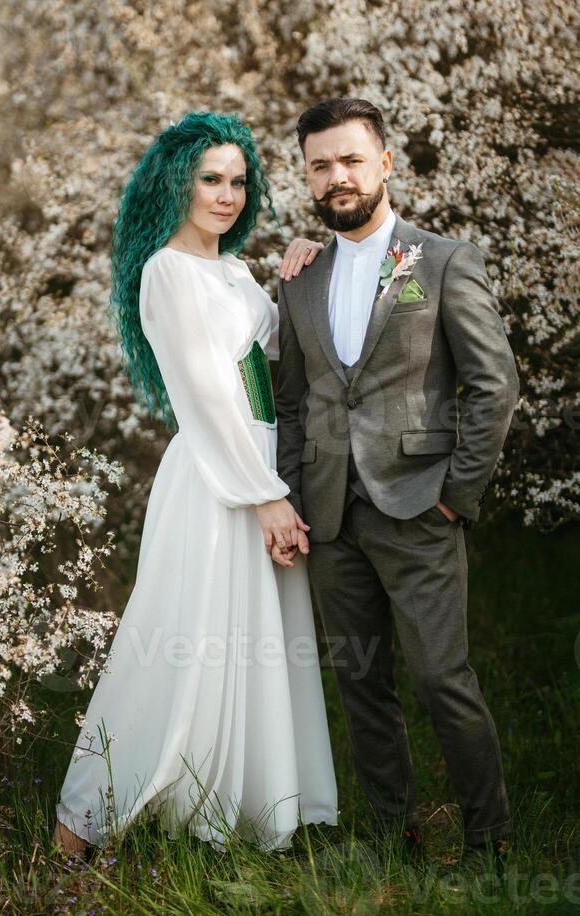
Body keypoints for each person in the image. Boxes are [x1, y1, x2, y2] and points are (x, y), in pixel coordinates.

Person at [52, 112, 338, 857]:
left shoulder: (234, 271)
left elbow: (280, 351)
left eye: (238, 181)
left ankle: (236, 812)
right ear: (174, 183)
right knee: (175, 641)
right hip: (219, 477)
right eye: (209, 179)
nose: (226, 195)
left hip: (258, 461)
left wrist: (302, 264)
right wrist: (265, 495)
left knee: (250, 645)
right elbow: (207, 398)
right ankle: (76, 826)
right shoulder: (165, 271)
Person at [275, 98, 519, 875]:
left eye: (350, 159)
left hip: (419, 505)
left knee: (440, 679)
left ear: (384, 163)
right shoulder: (300, 277)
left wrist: (457, 494)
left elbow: (493, 386)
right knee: (360, 683)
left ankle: (490, 842)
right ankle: (394, 837)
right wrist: (289, 489)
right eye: (320, 165)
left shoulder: (442, 261)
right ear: (307, 177)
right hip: (329, 514)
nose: (336, 176)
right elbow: (291, 399)